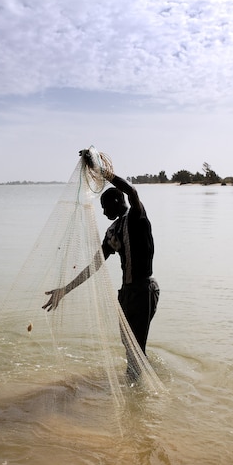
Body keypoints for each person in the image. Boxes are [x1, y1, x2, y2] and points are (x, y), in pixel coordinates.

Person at [42, 150, 159, 381]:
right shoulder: (113, 232)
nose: (103, 212)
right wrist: (64, 290)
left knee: (137, 348)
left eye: (105, 207)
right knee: (129, 347)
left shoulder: (138, 218)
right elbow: (95, 264)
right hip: (126, 294)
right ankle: (137, 385)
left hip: (143, 291)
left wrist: (100, 171)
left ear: (117, 202)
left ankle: (141, 394)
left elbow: (133, 191)